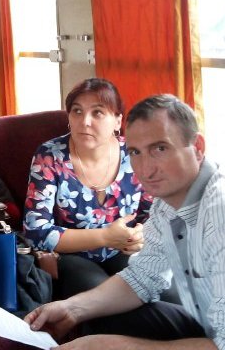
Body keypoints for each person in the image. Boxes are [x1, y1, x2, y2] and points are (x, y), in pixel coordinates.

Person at [26, 94, 225, 348]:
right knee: (100, 319)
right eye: (135, 153)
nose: (145, 168)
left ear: (198, 148)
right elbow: (141, 280)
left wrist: (115, 346)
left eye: (160, 149)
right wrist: (73, 308)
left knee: (108, 339)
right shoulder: (168, 206)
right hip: (216, 327)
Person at [23, 78, 151, 298]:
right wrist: (105, 237)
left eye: (98, 113)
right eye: (77, 111)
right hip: (71, 255)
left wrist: (141, 235)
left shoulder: (135, 154)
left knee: (160, 290)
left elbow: (155, 215)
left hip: (123, 250)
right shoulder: (50, 155)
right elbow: (36, 231)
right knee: (103, 297)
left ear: (118, 121)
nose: (85, 122)